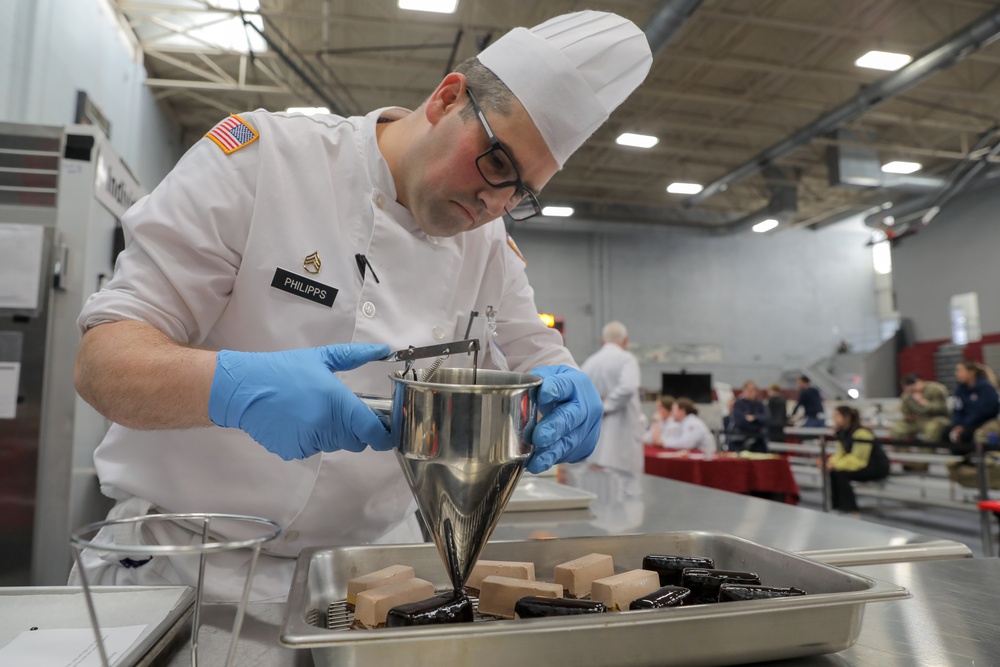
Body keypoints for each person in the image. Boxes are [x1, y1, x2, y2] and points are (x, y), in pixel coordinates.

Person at [70, 11, 652, 600]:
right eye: (497, 161)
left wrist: (572, 389)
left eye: (521, 192)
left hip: (363, 584)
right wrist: (228, 387)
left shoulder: (490, 247)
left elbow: (539, 354)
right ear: (448, 98)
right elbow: (103, 365)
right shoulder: (263, 161)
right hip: (178, 570)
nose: (492, 201)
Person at [581, 321, 644, 474]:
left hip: (594, 443)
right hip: (622, 442)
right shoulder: (627, 359)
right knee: (626, 491)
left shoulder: (590, 362)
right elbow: (628, 387)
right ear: (625, 340)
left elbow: (580, 392)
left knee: (598, 488)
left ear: (603, 340)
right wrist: (606, 405)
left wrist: (596, 406)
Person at [828, 405, 890, 514]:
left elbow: (859, 459)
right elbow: (841, 454)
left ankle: (850, 508)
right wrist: (829, 463)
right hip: (860, 464)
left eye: (837, 415)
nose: (834, 419)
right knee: (833, 472)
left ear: (846, 417)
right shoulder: (841, 433)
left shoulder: (862, 433)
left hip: (875, 466)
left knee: (841, 473)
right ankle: (836, 506)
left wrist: (836, 465)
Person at [949, 360, 1000, 455]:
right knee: (947, 432)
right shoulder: (961, 389)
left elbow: (984, 412)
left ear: (971, 372)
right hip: (966, 423)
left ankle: (982, 462)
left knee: (973, 434)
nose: (957, 374)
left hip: (983, 421)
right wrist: (957, 425)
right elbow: (957, 410)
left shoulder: (985, 388)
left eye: (960, 371)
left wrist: (965, 426)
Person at [889, 373, 950, 443]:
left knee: (931, 429)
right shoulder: (907, 394)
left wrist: (925, 403)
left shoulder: (935, 389)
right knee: (896, 428)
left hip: (934, 419)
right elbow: (905, 410)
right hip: (916, 420)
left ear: (920, 382)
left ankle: (927, 452)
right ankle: (903, 452)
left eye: (914, 387)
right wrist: (907, 415)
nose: (912, 391)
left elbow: (943, 408)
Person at [727, 380, 770, 453]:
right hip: (740, 439)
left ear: (757, 392)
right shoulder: (738, 404)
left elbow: (767, 418)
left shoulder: (760, 404)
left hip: (758, 439)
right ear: (744, 390)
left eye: (753, 390)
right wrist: (757, 424)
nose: (750, 392)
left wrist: (755, 418)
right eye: (748, 389)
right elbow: (740, 421)